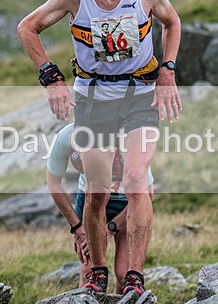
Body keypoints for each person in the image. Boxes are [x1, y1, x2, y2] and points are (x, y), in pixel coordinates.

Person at [17, 0, 181, 295]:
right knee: (97, 194)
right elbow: (27, 28)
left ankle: (135, 278)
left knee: (137, 180)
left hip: (140, 96)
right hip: (93, 101)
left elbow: (172, 22)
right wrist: (51, 77)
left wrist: (167, 71)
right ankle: (98, 271)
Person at [46, 123, 154, 293]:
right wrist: (77, 227)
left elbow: (147, 195)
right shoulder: (65, 137)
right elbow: (53, 182)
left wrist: (110, 228)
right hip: (90, 199)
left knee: (123, 273)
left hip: (127, 202)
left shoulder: (126, 139)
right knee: (89, 270)